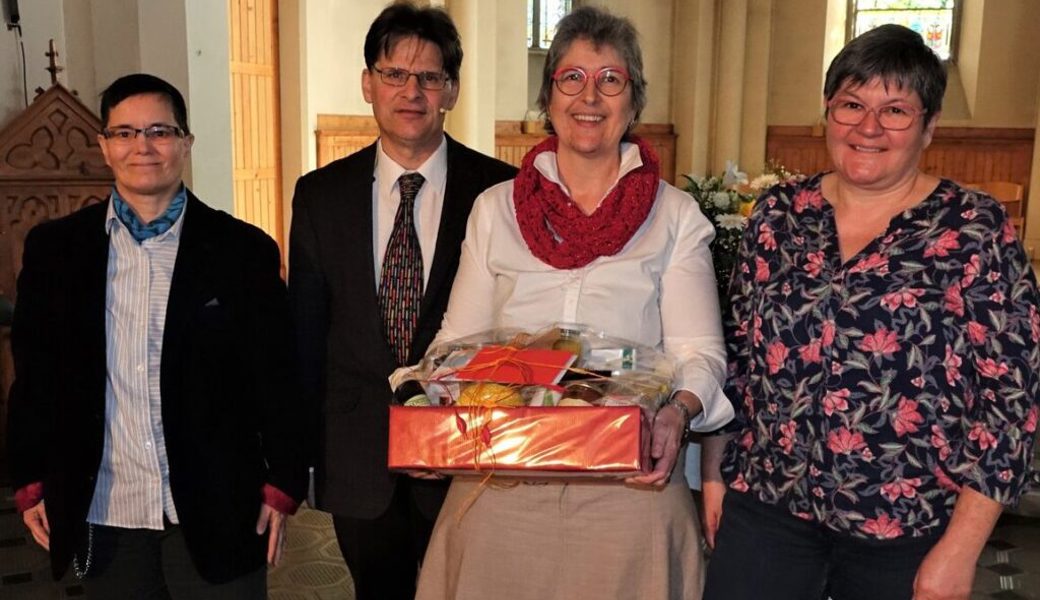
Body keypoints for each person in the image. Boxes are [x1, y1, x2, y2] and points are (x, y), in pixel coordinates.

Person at [702, 24, 1040, 600]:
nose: (868, 128)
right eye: (852, 104)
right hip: (767, 507)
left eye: (896, 111)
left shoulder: (972, 229)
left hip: (908, 524)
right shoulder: (779, 216)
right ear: (828, 113)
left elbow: (1011, 399)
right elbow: (738, 356)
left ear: (930, 125)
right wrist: (715, 474)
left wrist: (960, 549)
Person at [407, 6, 733, 599]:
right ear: (549, 95)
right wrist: (428, 404)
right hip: (502, 487)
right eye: (572, 77)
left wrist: (677, 410)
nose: (591, 96)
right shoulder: (496, 210)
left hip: (628, 488)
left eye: (611, 79)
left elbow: (700, 354)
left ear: (634, 102)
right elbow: (454, 346)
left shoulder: (675, 216)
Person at [7, 73, 307, 598]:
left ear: (185, 143)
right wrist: (29, 478)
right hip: (107, 505)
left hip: (219, 506)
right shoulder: (56, 251)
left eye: (160, 131)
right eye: (124, 133)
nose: (142, 146)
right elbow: (34, 375)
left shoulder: (243, 251)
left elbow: (279, 378)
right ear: (104, 147)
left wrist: (284, 483)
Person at [286, 3, 517, 599]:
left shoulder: (498, 192)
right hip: (358, 455)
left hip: (468, 453)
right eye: (394, 74)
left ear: (451, 91)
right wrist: (298, 461)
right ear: (368, 84)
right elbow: (307, 336)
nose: (410, 91)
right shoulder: (320, 195)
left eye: (429, 78)